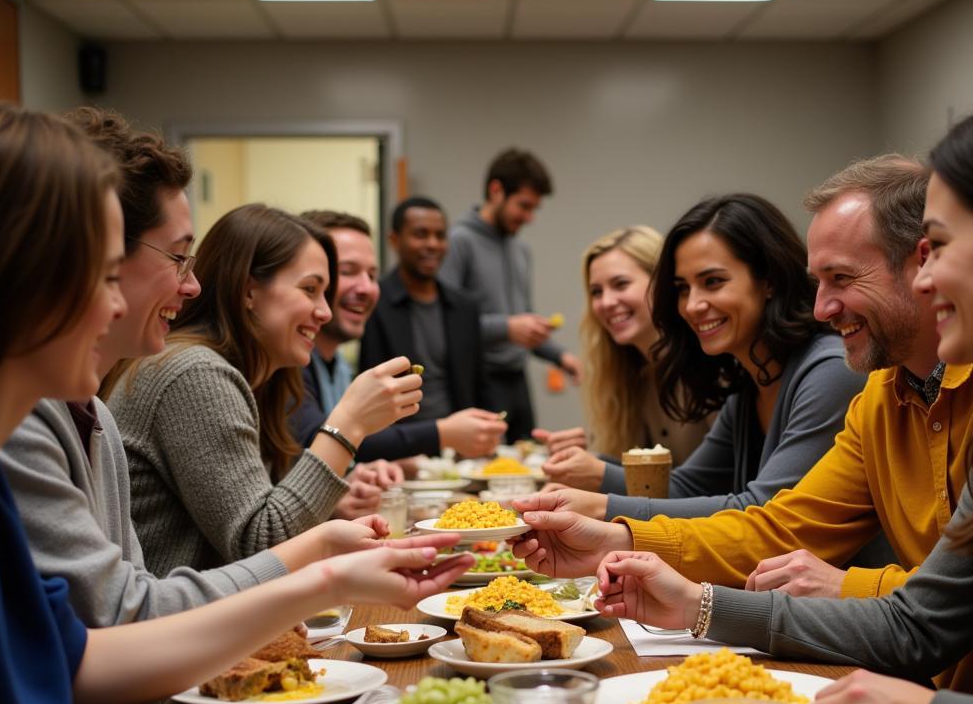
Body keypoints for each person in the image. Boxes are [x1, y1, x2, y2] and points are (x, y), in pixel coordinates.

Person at [0, 103, 475, 704]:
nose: (121, 305)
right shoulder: (180, 377)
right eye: (103, 274)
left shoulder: (87, 418)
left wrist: (325, 571)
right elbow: (119, 622)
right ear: (27, 276)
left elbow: (71, 662)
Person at [592, 93, 973, 704]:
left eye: (940, 247)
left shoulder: (853, 376)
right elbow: (916, 618)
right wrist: (685, 595)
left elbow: (922, 618)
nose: (930, 272)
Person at [513, 155, 973, 609]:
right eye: (683, 288)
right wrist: (618, 538)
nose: (823, 307)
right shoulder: (875, 393)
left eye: (842, 278)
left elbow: (968, 597)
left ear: (926, 262)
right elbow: (778, 527)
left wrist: (847, 586)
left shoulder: (850, 371)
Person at [106, 203, 423, 576]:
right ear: (249, 291)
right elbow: (262, 546)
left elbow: (265, 510)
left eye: (325, 294)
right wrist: (348, 424)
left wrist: (336, 496)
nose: (324, 311)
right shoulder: (194, 373)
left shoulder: (259, 374)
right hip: (174, 625)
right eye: (310, 289)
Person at [537, 197, 866, 520]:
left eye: (713, 282)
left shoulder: (830, 368)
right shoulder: (748, 384)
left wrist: (601, 505)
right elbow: (687, 486)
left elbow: (763, 511)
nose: (692, 305)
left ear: (769, 281)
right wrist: (590, 484)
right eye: (683, 288)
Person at [292, 209, 507, 460]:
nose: (367, 288)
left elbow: (341, 451)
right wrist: (443, 432)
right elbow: (317, 442)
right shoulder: (288, 363)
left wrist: (361, 475)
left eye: (372, 275)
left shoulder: (338, 365)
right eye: (348, 271)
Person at [532, 226, 712, 489]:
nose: (605, 302)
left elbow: (708, 486)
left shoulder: (710, 365)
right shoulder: (632, 373)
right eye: (596, 292)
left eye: (620, 284)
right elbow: (649, 482)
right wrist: (587, 460)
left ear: (661, 284)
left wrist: (598, 471)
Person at [443, 148, 582, 441]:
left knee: (526, 461)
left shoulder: (521, 249)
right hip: (480, 381)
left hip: (517, 380)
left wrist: (562, 357)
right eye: (524, 205)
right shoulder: (459, 242)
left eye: (534, 208)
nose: (529, 217)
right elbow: (446, 322)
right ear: (496, 190)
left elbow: (524, 322)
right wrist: (508, 328)